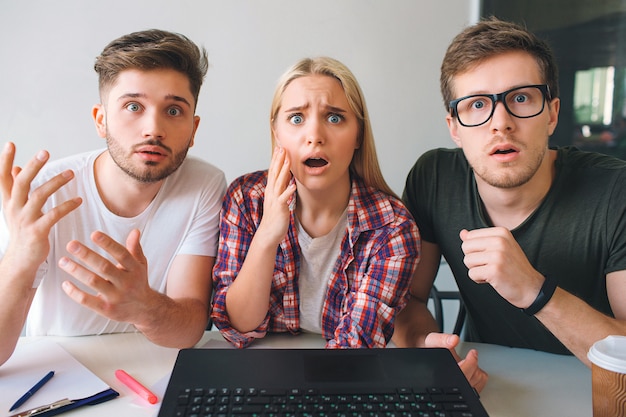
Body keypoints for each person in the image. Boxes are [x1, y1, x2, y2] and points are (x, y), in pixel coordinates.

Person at [393, 17, 626, 392]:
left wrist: (535, 291)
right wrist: (428, 351)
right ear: (454, 127)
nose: (500, 123)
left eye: (520, 98)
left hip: (597, 394)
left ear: (551, 113)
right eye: (477, 105)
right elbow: (408, 299)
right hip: (493, 388)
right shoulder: (433, 178)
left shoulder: (615, 190)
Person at [0, 29, 227, 366]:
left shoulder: (204, 184)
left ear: (193, 130)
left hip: (151, 367)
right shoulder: (46, 191)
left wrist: (144, 307)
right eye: (133, 106)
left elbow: (191, 328)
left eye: (174, 111)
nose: (154, 128)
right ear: (101, 120)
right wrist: (20, 257)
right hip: (59, 369)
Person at [211, 57, 419, 348]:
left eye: (334, 118)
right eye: (296, 118)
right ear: (277, 133)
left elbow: (357, 345)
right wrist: (267, 235)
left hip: (338, 377)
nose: (315, 137)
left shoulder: (392, 225)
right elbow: (238, 326)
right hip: (260, 369)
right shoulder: (246, 199)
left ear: (358, 134)